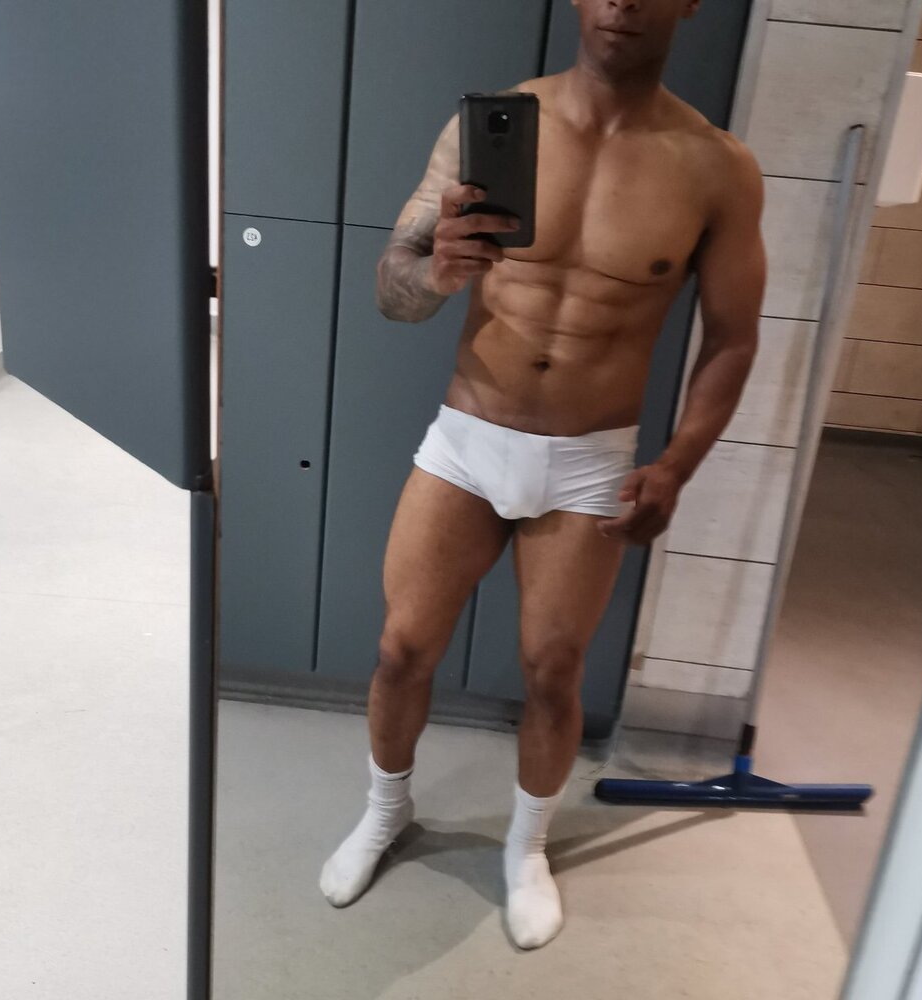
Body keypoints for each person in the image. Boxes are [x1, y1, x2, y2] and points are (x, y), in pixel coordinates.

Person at [320, 0, 766, 950]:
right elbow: (393, 288)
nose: (622, 2)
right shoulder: (490, 128)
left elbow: (732, 339)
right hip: (467, 441)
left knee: (554, 672)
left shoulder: (717, 168)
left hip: (589, 460)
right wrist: (435, 271)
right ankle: (386, 811)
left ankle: (526, 850)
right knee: (401, 649)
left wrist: (677, 466)